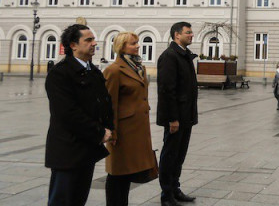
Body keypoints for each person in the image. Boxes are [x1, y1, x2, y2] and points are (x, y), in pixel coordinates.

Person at [45, 24, 114, 206]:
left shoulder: (93, 71)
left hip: (87, 148)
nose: (94, 43)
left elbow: (103, 103)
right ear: (73, 45)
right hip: (68, 149)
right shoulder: (60, 74)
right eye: (88, 40)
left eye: (93, 39)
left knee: (78, 199)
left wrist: (109, 128)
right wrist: (99, 132)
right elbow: (68, 113)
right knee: (62, 199)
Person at [103, 32, 157, 206]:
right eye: (133, 43)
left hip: (137, 129)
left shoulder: (139, 67)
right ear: (121, 47)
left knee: (127, 173)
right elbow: (109, 104)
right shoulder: (113, 70)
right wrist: (112, 131)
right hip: (122, 131)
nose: (138, 46)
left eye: (137, 42)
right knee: (117, 173)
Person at [156, 22, 198, 206]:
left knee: (179, 155)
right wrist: (172, 118)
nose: (192, 35)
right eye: (188, 32)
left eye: (191, 32)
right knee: (170, 155)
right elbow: (167, 90)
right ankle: (166, 195)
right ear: (176, 35)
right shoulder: (170, 56)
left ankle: (175, 188)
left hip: (186, 115)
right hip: (176, 117)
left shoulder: (184, 55)